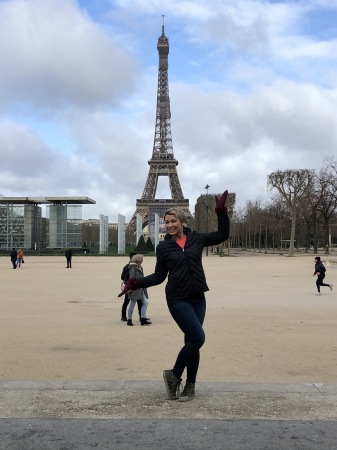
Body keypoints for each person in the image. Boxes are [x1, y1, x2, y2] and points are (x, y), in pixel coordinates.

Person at [118, 190, 230, 401]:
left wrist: (221, 212)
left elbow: (222, 235)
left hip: (198, 297)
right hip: (178, 299)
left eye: (173, 221)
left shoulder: (196, 239)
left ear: (182, 220)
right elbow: (160, 276)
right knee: (198, 337)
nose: (169, 225)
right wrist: (135, 282)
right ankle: (174, 374)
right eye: (166, 222)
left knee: (192, 342)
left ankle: (190, 385)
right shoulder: (164, 247)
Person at [126, 254, 151, 326]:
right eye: (141, 259)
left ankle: (143, 319)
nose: (142, 260)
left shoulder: (139, 267)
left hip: (141, 288)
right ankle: (129, 320)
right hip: (135, 288)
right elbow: (132, 278)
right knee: (132, 304)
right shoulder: (133, 267)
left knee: (145, 302)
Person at [120, 252, 142, 322]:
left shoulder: (138, 266)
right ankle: (123, 316)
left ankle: (141, 316)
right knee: (126, 301)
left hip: (136, 286)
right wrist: (129, 281)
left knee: (139, 301)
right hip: (129, 286)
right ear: (131, 258)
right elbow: (122, 277)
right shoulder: (127, 267)